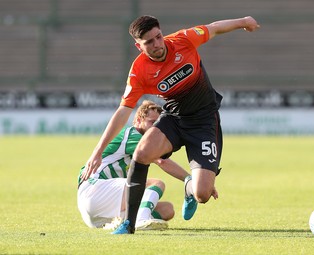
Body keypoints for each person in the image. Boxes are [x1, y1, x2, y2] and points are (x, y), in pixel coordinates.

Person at [81, 15, 260, 234]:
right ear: (139, 46)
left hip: (204, 122)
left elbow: (213, 28)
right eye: (149, 42)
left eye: (158, 37)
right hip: (174, 119)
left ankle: (189, 189)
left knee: (202, 194)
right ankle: (129, 223)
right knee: (142, 153)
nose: (157, 44)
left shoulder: (183, 40)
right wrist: (97, 151)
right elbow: (123, 111)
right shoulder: (139, 70)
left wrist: (243, 21)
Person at [77, 100, 191, 230]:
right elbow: (162, 161)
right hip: (95, 190)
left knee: (167, 210)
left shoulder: (141, 138)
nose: (155, 128)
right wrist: (189, 179)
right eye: (152, 123)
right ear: (138, 121)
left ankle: (120, 222)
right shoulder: (133, 134)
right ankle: (141, 220)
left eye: (158, 125)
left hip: (98, 208)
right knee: (156, 184)